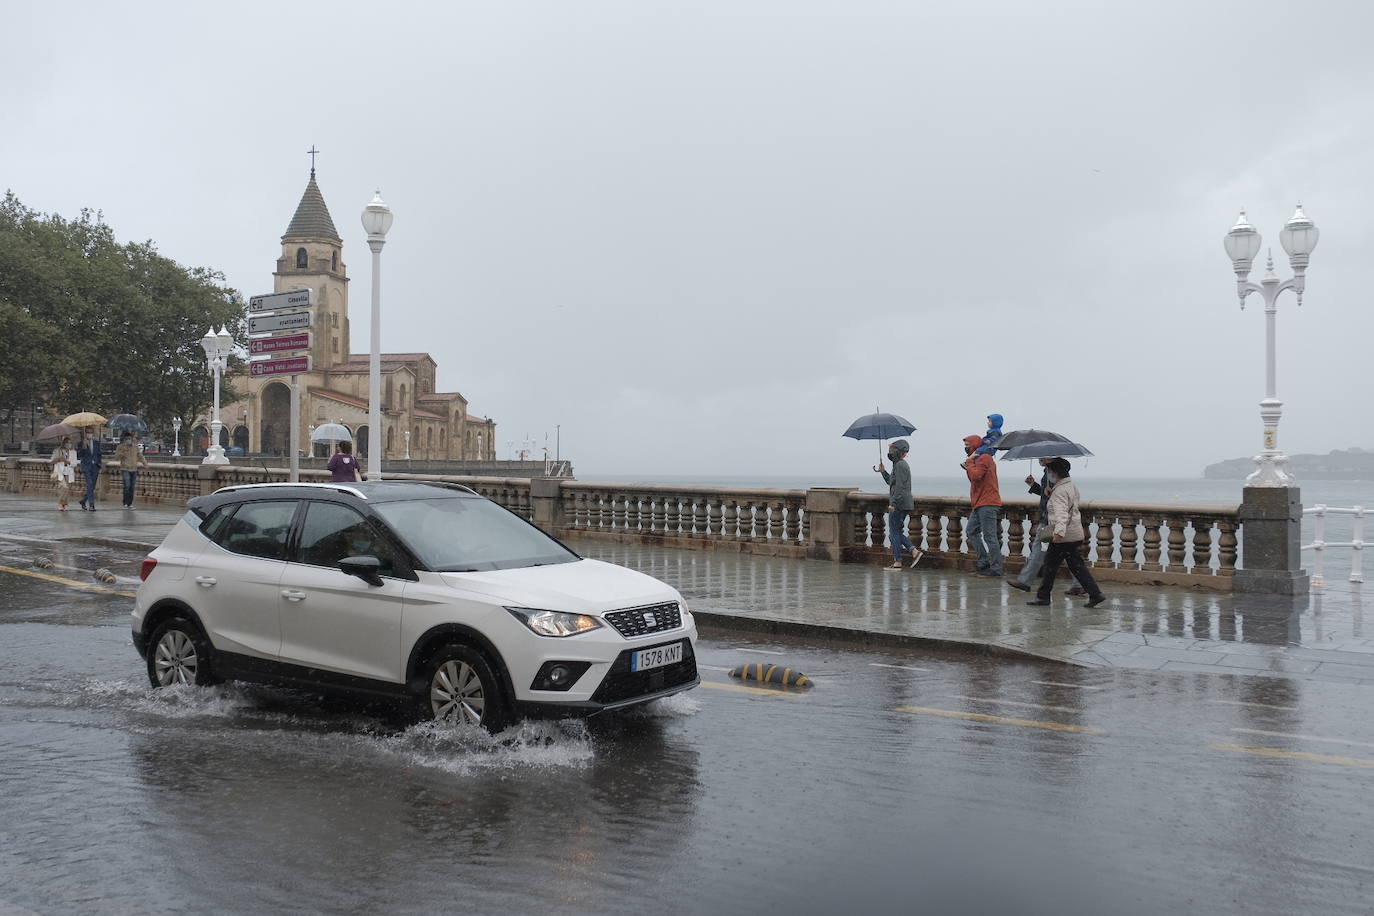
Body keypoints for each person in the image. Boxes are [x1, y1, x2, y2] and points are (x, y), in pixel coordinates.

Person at [1026, 458, 1106, 608]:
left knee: (1050, 565)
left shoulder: (1060, 491)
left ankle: (1043, 597)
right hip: (1074, 533)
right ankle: (1095, 594)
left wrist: (1059, 533)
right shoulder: (1070, 486)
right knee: (1076, 565)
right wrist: (1050, 493)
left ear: (1055, 472)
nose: (1048, 474)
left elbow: (1061, 514)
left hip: (1062, 536)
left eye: (1049, 471)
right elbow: (1070, 505)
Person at [1006, 457, 1083, 594]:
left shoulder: (1055, 472)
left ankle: (1026, 581)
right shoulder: (1049, 472)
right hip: (1050, 520)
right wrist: (1033, 486)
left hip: (1050, 522)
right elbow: (1047, 493)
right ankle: (1079, 584)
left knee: (1040, 550)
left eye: (1042, 457)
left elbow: (1059, 497)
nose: (1039, 459)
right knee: (1066, 554)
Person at [875, 439, 922, 569]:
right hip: (902, 503)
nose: (889, 452)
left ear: (898, 451)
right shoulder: (898, 465)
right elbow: (892, 482)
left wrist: (894, 503)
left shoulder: (901, 465)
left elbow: (900, 487)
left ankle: (899, 561)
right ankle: (912, 552)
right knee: (895, 532)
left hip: (899, 504)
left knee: (894, 533)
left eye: (892, 450)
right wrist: (883, 472)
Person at [961, 434, 1003, 577]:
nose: (966, 448)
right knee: (971, 531)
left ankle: (996, 568)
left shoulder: (985, 457)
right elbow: (973, 478)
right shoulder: (978, 459)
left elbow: (976, 476)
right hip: (979, 502)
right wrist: (970, 464)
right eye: (965, 445)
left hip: (988, 503)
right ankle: (983, 562)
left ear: (974, 445)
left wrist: (969, 462)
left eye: (968, 445)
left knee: (990, 536)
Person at [113, 432, 150, 509]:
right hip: (125, 469)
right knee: (127, 485)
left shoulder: (135, 447)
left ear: (132, 439)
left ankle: (130, 503)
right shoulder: (121, 447)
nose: (128, 440)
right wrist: (123, 451)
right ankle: (125, 503)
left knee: (132, 487)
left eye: (129, 439)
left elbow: (140, 456)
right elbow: (116, 457)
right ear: (124, 439)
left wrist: (145, 463)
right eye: (127, 439)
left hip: (134, 469)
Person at [76, 428, 102, 510]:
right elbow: (79, 455)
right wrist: (83, 447)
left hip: (95, 467)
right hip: (86, 466)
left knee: (92, 486)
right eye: (88, 433)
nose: (89, 434)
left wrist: (99, 463)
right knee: (89, 484)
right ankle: (91, 504)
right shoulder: (81, 443)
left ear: (93, 433)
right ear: (85, 433)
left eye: (91, 432)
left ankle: (83, 501)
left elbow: (99, 454)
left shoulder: (97, 443)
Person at [49, 436, 78, 510]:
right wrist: (59, 459)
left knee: (66, 489)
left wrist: (66, 461)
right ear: (64, 443)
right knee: (65, 487)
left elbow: (74, 464)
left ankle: (64, 504)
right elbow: (52, 461)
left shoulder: (73, 452)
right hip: (59, 472)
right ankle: (60, 503)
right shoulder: (57, 451)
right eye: (67, 443)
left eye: (70, 443)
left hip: (69, 472)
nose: (69, 444)